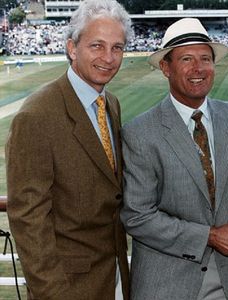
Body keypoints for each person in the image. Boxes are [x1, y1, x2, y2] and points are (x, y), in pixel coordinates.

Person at [120, 18, 228, 300]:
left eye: (205, 59)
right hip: (165, 287)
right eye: (186, 59)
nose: (199, 69)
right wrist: (211, 236)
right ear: (165, 67)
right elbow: (137, 215)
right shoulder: (140, 133)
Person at [6, 0, 133, 299]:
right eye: (97, 46)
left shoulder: (110, 103)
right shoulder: (36, 116)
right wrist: (52, 292)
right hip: (67, 287)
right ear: (72, 48)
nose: (108, 57)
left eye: (117, 47)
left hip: (114, 277)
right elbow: (27, 218)